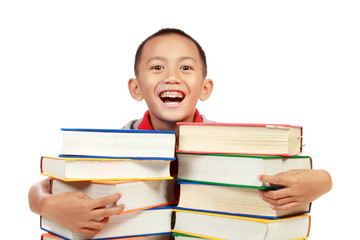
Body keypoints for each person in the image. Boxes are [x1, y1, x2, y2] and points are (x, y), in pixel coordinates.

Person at [28, 28, 332, 238]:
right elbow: (49, 185)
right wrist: (46, 205)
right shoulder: (115, 141)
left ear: (205, 87)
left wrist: (323, 182)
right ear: (136, 88)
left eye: (185, 68)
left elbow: (287, 178)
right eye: (157, 67)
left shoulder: (225, 143)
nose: (171, 77)